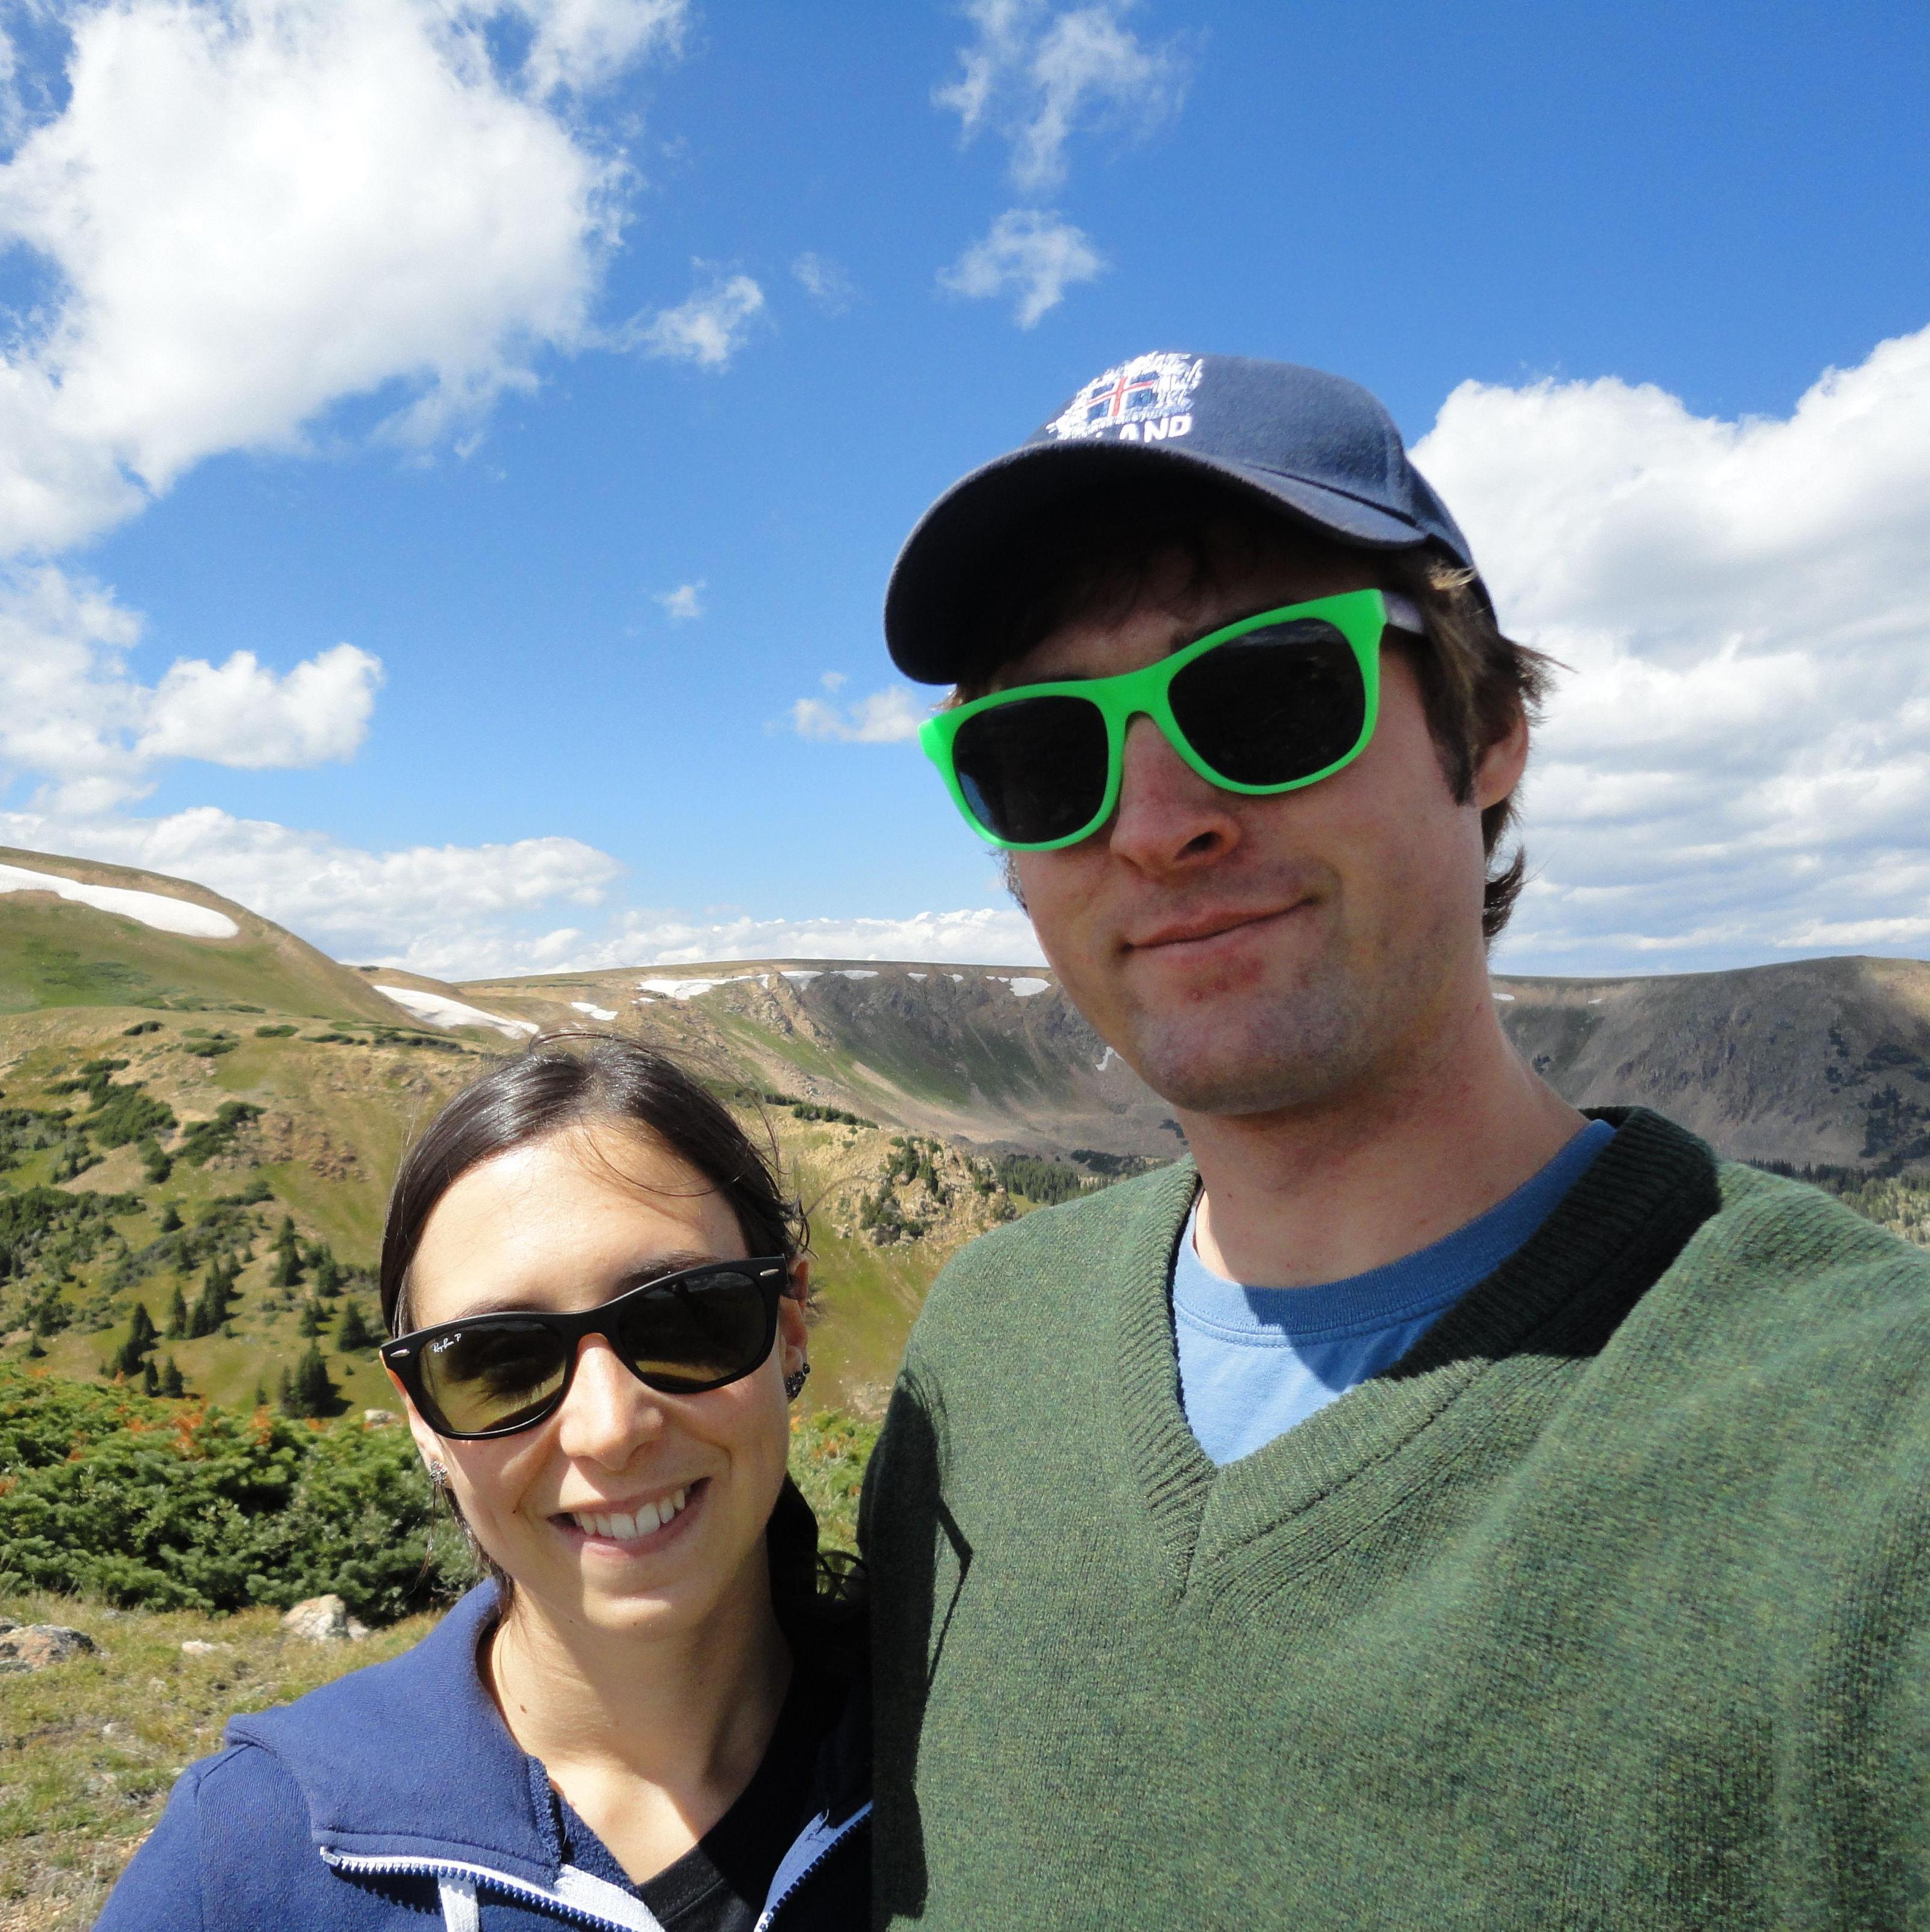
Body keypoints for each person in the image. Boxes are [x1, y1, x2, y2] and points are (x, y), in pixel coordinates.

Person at [861, 350, 1930, 1929]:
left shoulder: (1869, 1447)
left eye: (1269, 694)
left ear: (1486, 728)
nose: (1156, 819)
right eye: (1045, 754)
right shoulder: (982, 1353)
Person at [99, 1037, 868, 1932]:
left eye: (686, 1317)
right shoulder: (245, 1855)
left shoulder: (992, 1761)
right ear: (420, 1414)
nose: (609, 1427)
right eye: (501, 1361)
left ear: (788, 1330)